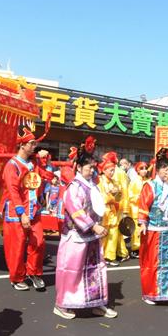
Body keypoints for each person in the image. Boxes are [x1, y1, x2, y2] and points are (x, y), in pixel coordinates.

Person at [53, 137, 117, 320]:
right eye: (88, 167)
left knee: (95, 269)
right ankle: (63, 304)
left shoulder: (92, 185)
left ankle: (97, 302)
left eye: (93, 167)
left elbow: (97, 206)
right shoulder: (74, 187)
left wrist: (99, 225)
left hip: (92, 235)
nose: (92, 170)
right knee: (71, 270)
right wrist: (93, 226)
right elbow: (75, 210)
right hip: (76, 235)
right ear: (79, 168)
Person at [1, 122, 54, 291]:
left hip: (34, 210)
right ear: (22, 145)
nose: (35, 146)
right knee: (16, 246)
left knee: (38, 242)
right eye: (32, 143)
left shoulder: (33, 164)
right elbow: (13, 191)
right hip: (16, 212)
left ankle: (34, 273)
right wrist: (21, 213)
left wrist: (50, 171)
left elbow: (45, 175)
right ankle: (16, 277)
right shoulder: (12, 166)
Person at [138, 147, 168, 305]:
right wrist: (142, 222)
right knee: (152, 264)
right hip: (153, 230)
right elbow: (143, 205)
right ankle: (149, 293)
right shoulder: (150, 186)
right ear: (158, 169)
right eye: (166, 169)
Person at [102, 151, 130, 262]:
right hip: (111, 207)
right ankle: (119, 253)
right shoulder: (103, 178)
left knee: (114, 231)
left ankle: (112, 254)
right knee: (113, 232)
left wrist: (125, 207)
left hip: (116, 206)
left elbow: (123, 190)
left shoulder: (117, 173)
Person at [127, 161, 149, 258]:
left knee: (143, 228)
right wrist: (140, 197)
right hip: (136, 209)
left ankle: (142, 248)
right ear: (137, 170)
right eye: (142, 168)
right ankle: (135, 248)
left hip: (144, 209)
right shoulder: (134, 181)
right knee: (136, 229)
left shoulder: (147, 181)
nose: (144, 170)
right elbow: (130, 196)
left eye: (145, 168)